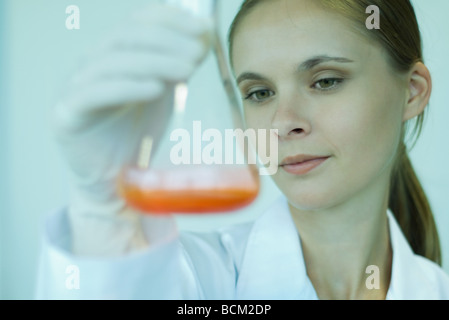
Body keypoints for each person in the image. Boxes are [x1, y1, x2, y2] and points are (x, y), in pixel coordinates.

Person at [37, 0, 449, 299]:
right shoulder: (199, 279)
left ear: (412, 92)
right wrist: (102, 209)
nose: (283, 122)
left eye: (325, 80)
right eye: (260, 92)